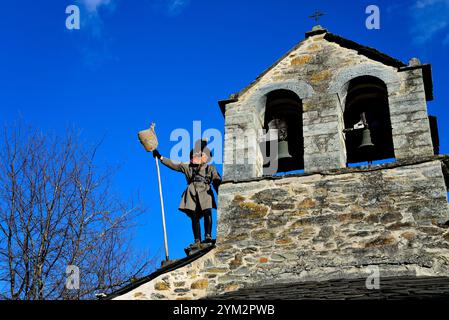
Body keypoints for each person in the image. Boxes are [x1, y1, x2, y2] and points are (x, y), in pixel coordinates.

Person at [152, 140, 221, 249]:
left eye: (195, 155)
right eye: (192, 156)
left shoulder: (210, 168)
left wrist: (219, 189)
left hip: (205, 190)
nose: (192, 157)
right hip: (191, 192)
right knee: (194, 216)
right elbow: (174, 164)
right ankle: (197, 239)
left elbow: (217, 179)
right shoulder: (187, 167)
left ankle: (208, 235)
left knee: (207, 211)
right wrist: (161, 157)